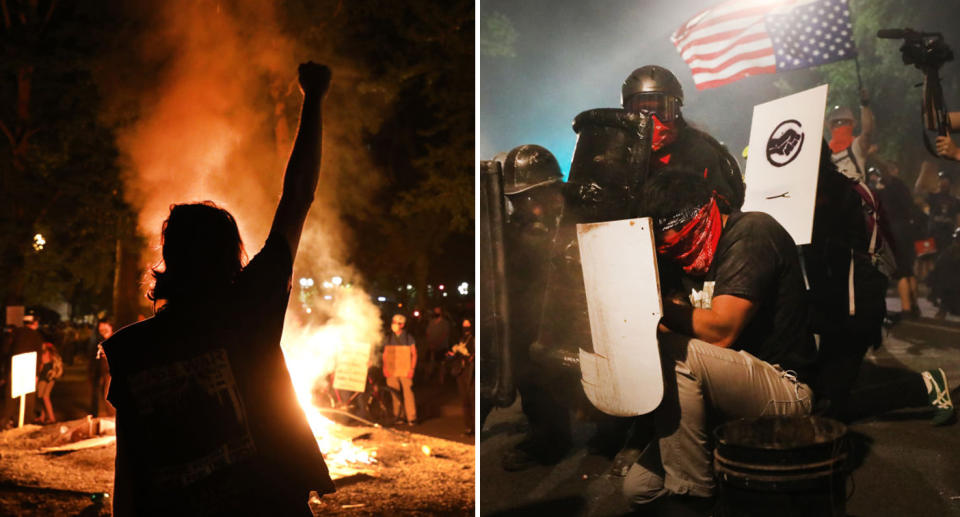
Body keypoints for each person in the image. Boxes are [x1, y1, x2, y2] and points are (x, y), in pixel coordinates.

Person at [101, 62, 334, 516]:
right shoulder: (250, 306)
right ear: (231, 253)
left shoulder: (129, 350)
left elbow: (129, 468)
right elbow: (298, 196)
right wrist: (314, 98)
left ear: (169, 259)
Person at [623, 170, 817, 506]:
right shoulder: (687, 258)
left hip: (784, 387)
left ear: (698, 215)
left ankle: (694, 499)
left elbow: (721, 331)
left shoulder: (751, 232)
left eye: (674, 237)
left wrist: (655, 306)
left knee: (678, 353)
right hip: (726, 389)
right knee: (639, 490)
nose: (671, 249)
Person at [497, 144, 573, 471]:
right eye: (516, 200)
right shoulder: (517, 230)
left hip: (569, 310)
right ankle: (546, 436)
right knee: (531, 377)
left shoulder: (576, 216)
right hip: (533, 314)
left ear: (550, 191)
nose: (523, 208)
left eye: (529, 199)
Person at [621, 65, 744, 213]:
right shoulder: (616, 157)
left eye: (663, 110)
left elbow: (726, 208)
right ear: (627, 115)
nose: (653, 120)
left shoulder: (702, 152)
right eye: (642, 112)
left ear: (676, 113)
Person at [1, 314, 45, 427]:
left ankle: (6, 420)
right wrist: (36, 374)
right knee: (28, 397)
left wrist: (5, 371)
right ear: (34, 323)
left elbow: (5, 350)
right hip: (29, 369)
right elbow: (39, 356)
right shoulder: (36, 336)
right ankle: (25, 421)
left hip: (14, 367)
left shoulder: (14, 333)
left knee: (11, 396)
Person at [826, 89, 874, 182]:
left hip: (855, 193)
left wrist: (865, 105)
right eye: (838, 123)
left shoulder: (856, 147)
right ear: (831, 126)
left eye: (845, 122)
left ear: (853, 124)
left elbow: (867, 132)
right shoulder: (826, 153)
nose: (841, 126)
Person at [382, 313, 417, 425]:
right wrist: (385, 368)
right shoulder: (389, 337)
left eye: (396, 323)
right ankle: (399, 416)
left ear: (402, 325)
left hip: (405, 370)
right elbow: (385, 354)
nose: (393, 325)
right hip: (392, 370)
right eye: (393, 322)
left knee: (408, 393)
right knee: (394, 394)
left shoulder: (408, 337)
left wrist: (412, 369)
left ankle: (411, 417)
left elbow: (414, 353)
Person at [447, 318, 474, 435]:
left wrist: (469, 356)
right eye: (464, 326)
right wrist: (453, 354)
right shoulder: (460, 339)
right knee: (465, 401)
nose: (466, 329)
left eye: (468, 326)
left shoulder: (475, 339)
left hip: (471, 373)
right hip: (461, 372)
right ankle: (468, 427)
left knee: (473, 400)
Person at [926, 171, 960, 257]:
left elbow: (958, 218)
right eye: (941, 180)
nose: (943, 183)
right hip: (931, 235)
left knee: (945, 259)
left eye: (946, 181)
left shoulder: (956, 201)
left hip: (947, 236)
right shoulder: (932, 197)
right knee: (926, 259)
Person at [90, 318, 114, 417]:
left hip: (112, 374)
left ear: (110, 326)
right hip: (104, 373)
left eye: (105, 327)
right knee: (106, 397)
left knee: (109, 398)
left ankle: (115, 420)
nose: (102, 330)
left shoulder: (115, 339)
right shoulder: (102, 341)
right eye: (100, 328)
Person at [423, 306, 453, 383]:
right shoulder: (431, 322)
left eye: (438, 311)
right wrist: (430, 343)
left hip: (441, 346)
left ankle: (441, 378)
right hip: (431, 345)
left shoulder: (445, 323)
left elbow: (445, 335)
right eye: (435, 311)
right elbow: (427, 333)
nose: (436, 313)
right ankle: (428, 375)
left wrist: (437, 344)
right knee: (428, 361)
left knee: (441, 363)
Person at [35, 342, 63, 424]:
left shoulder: (44, 354)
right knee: (45, 397)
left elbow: (41, 366)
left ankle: (49, 417)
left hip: (43, 378)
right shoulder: (53, 355)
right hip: (51, 378)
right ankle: (46, 417)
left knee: (41, 397)